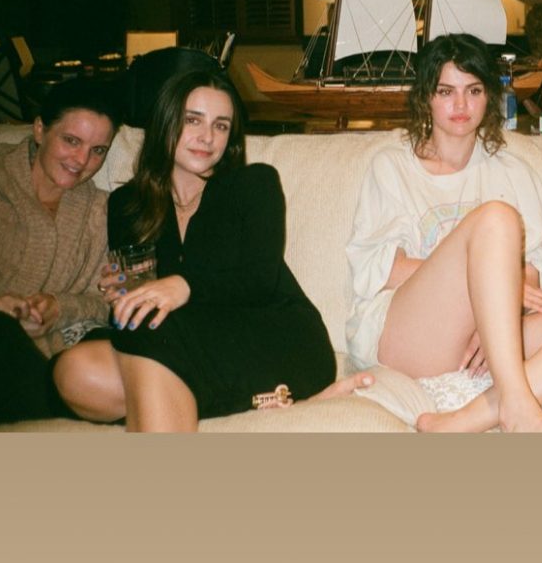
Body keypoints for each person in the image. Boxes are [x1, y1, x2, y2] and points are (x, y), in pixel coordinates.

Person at [345, 32, 542, 433]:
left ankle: (478, 414)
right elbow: (380, 268)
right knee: (496, 218)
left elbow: (535, 269)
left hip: (493, 337)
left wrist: (498, 304)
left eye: (473, 90)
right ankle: (523, 412)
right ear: (425, 98)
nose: (461, 105)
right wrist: (482, 290)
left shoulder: (512, 172)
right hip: (407, 336)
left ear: (489, 96)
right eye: (446, 91)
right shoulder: (393, 167)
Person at [53, 66, 364, 432]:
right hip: (182, 344)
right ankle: (256, 399)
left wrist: (183, 285)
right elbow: (139, 291)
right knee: (76, 370)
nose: (207, 137)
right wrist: (122, 291)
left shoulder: (254, 185)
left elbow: (259, 278)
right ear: (166, 122)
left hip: (273, 337)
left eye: (221, 125)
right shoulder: (127, 204)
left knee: (145, 327)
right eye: (193, 120)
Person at [0, 77, 122, 425]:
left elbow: (112, 300)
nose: (81, 160)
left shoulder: (101, 211)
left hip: (51, 365)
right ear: (40, 130)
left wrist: (59, 307)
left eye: (98, 150)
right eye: (71, 141)